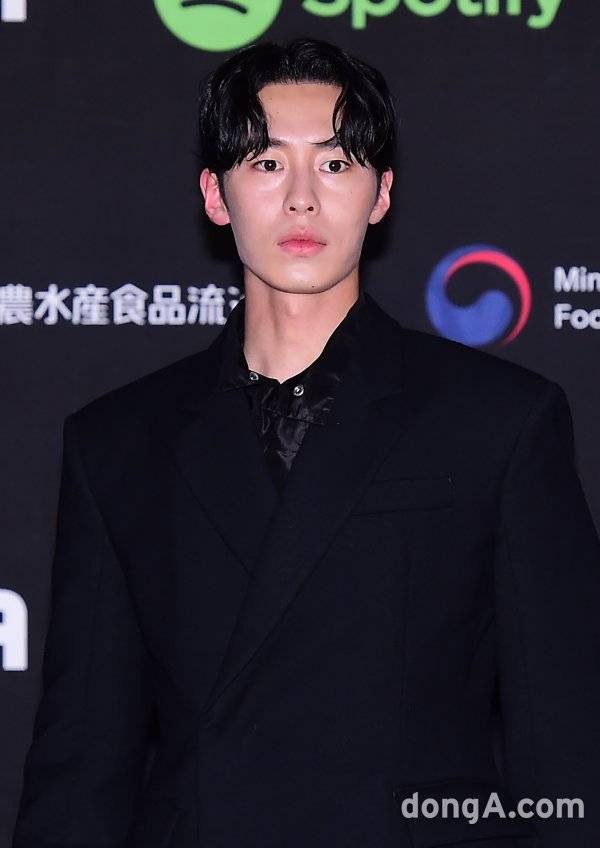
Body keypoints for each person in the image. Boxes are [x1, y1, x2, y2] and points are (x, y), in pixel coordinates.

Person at [11, 36, 600, 848]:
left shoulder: (498, 421)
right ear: (216, 195)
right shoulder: (118, 444)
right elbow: (82, 764)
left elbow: (568, 740)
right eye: (265, 162)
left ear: (380, 193)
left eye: (334, 163)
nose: (301, 199)